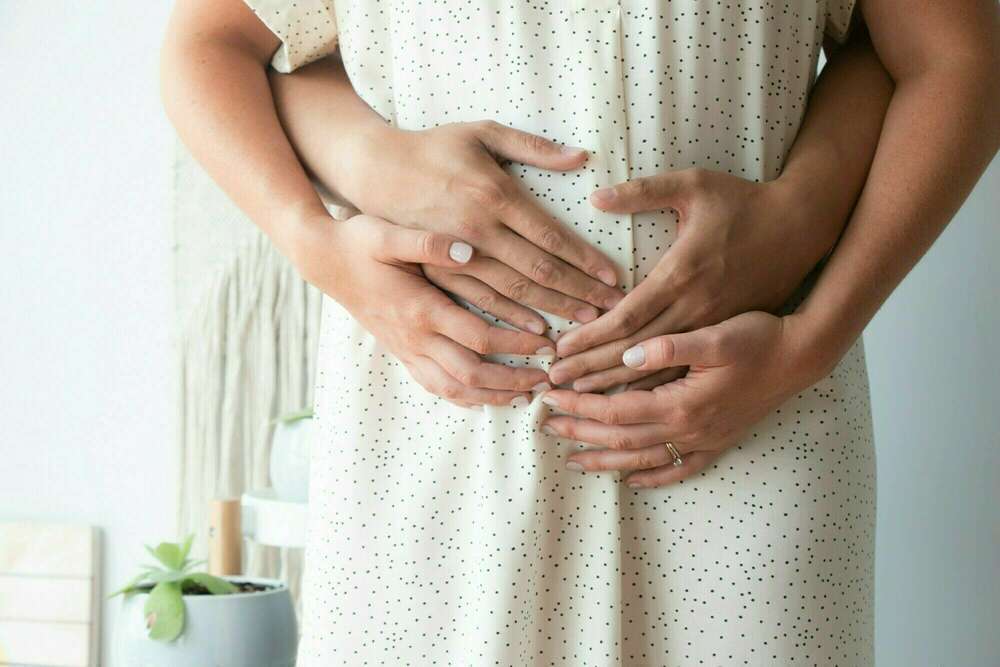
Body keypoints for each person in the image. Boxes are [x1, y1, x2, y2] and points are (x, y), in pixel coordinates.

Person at [160, 0, 998, 663]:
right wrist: (321, 245)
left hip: (746, 426)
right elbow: (213, 42)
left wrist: (810, 334)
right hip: (436, 444)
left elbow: (952, 54)